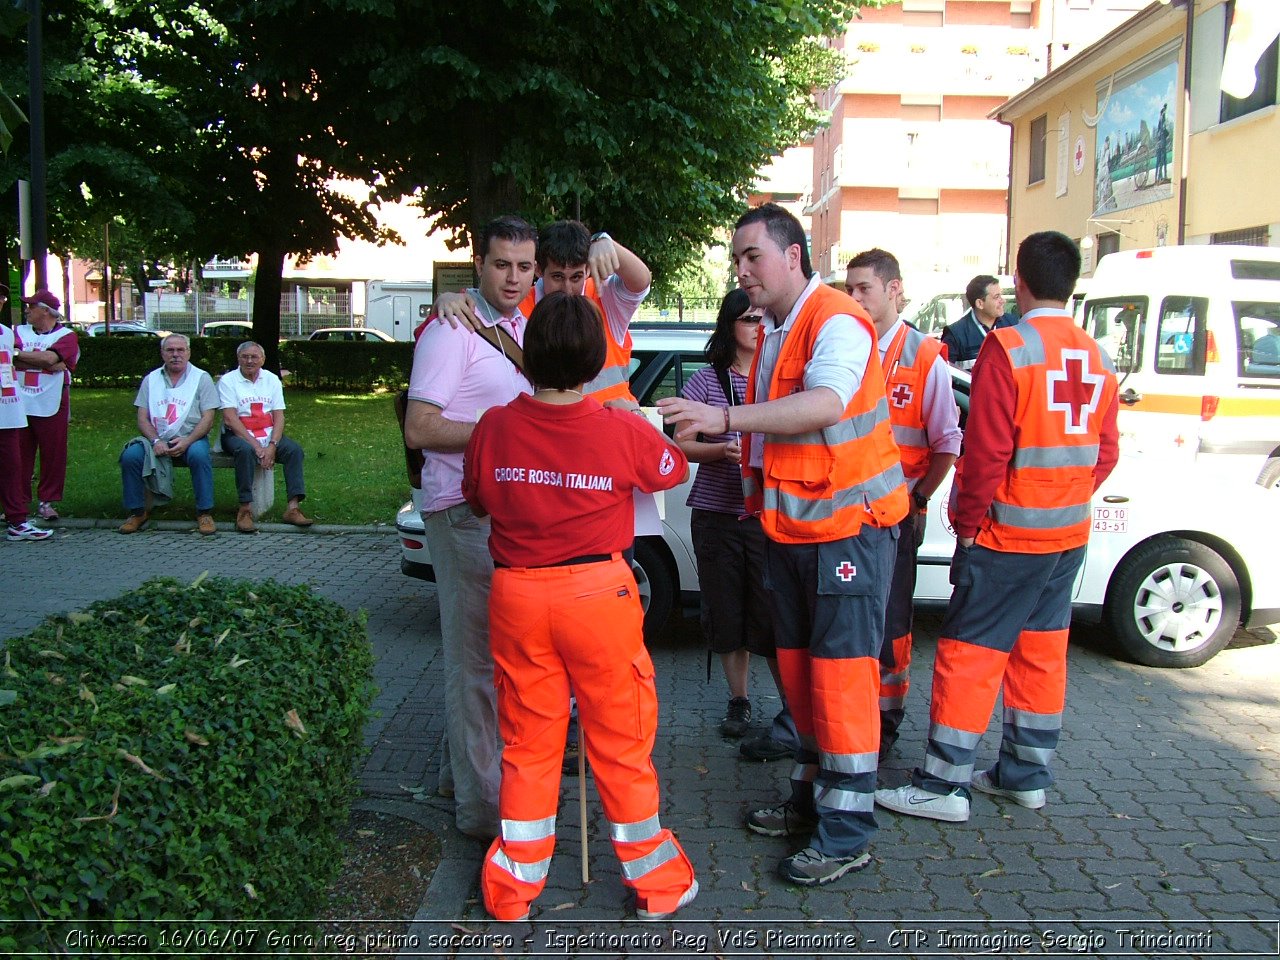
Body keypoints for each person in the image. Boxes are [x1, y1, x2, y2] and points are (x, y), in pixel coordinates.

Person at [658, 203, 908, 887]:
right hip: (795, 536)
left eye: (752, 257)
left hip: (846, 534)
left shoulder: (835, 320)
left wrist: (726, 415)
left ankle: (847, 831)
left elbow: (826, 404)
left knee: (841, 684)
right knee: (801, 680)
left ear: (793, 255)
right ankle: (810, 800)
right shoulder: (778, 329)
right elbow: (780, 439)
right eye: (736, 259)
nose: (741, 271)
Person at [464, 292, 698, 922]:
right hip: (599, 598)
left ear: (528, 353)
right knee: (621, 740)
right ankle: (657, 886)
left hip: (517, 596)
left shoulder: (493, 427)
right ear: (597, 360)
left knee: (528, 742)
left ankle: (512, 893)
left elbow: (478, 497)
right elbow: (670, 471)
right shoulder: (621, 428)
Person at [875, 231, 1119, 823]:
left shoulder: (1009, 347)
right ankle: (1024, 774)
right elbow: (1107, 452)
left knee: (969, 652)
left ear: (1020, 279)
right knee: (1041, 651)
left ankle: (940, 784)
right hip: (1067, 538)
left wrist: (965, 523)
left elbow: (985, 454)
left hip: (1007, 537)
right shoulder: (1098, 354)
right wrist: (1062, 497)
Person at [403, 214, 538, 840]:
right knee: (475, 664)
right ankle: (484, 815)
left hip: (495, 511)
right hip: (459, 510)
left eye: (523, 266)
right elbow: (420, 428)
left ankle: (469, 782)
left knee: (489, 657)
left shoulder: (517, 327)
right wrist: (501, 435)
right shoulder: (449, 330)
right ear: (478, 265)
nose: (512, 277)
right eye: (501, 264)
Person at [845, 249, 962, 759]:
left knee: (892, 624)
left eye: (862, 289)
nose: (853, 299)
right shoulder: (847, 346)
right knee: (849, 622)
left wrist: (918, 498)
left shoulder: (922, 357)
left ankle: (886, 720)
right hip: (846, 515)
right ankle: (852, 713)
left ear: (894, 290)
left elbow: (947, 443)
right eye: (847, 290)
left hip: (894, 518)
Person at [675, 288, 791, 745]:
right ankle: (739, 700)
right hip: (719, 515)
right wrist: (718, 450)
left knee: (772, 614)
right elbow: (679, 444)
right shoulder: (707, 381)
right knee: (726, 613)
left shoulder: (779, 377)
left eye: (762, 319)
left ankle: (791, 709)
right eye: (746, 319)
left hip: (767, 515)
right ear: (729, 326)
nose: (756, 326)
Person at [433, 220, 650, 408]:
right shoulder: (518, 305)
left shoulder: (604, 297)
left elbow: (641, 281)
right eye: (557, 277)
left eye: (576, 277)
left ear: (587, 270)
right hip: (552, 430)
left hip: (610, 428)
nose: (567, 288)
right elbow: (483, 301)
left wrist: (605, 242)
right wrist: (448, 298)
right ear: (539, 270)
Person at [118, 334, 220, 535]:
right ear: (162, 353)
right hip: (157, 439)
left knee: (200, 456)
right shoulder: (151, 379)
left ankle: (204, 512)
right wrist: (155, 440)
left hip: (191, 437)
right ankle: (137, 512)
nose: (175, 355)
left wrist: (187, 441)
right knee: (130, 457)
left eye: (180, 350)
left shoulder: (202, 378)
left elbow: (208, 418)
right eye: (170, 350)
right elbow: (142, 418)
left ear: (188, 352)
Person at [217, 340, 314, 533]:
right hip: (238, 435)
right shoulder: (228, 381)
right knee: (244, 452)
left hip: (268, 434)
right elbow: (230, 418)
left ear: (262, 359)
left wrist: (272, 445)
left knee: (294, 451)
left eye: (254, 357)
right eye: (245, 357)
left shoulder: (271, 380)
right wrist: (256, 446)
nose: (250, 361)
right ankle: (245, 509)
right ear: (238, 359)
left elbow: (279, 416)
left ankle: (293, 509)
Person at [13, 289, 79, 522]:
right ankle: (17, 502)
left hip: (53, 399)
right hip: (19, 400)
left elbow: (50, 359)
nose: (27, 311)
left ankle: (46, 501)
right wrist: (32, 357)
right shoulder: (17, 332)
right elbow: (45, 361)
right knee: (19, 452)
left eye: (31, 307)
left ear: (45, 311)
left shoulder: (67, 336)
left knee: (53, 452)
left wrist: (20, 355)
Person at [2, 286, 51, 541]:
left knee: (12, 467)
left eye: (0, 298)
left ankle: (17, 521)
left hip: (8, 410)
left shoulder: (6, 334)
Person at [940, 275, 1015, 370]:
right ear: (980, 303)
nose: (1003, 301)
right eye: (997, 297)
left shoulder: (1012, 324)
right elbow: (945, 374)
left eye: (1001, 295)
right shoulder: (955, 334)